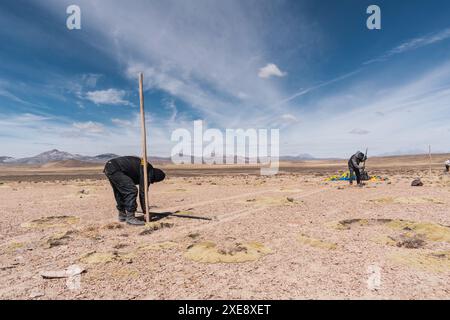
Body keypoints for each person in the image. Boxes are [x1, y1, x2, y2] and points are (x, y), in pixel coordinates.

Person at [104, 156, 166, 226]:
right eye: (154, 181)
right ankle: (130, 218)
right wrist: (145, 212)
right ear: (155, 177)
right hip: (116, 169)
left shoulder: (146, 167)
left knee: (120, 191)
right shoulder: (147, 171)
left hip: (110, 166)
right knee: (132, 190)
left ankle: (122, 215)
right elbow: (143, 192)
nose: (152, 182)